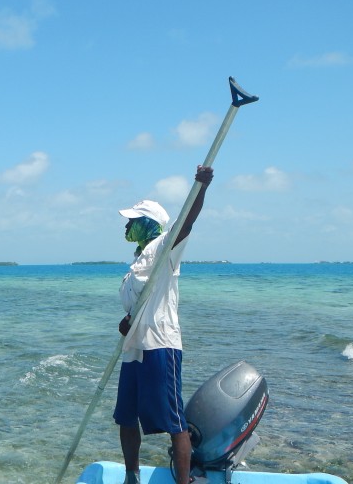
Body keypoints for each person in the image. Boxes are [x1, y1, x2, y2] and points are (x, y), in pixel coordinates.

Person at [113, 165, 214, 484]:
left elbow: (187, 221)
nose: (127, 225)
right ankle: (132, 476)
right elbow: (137, 309)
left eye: (132, 220)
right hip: (134, 350)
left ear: (147, 224)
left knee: (173, 420)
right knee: (126, 417)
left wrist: (200, 187)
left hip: (160, 346)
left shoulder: (165, 249)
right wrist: (126, 322)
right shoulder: (137, 262)